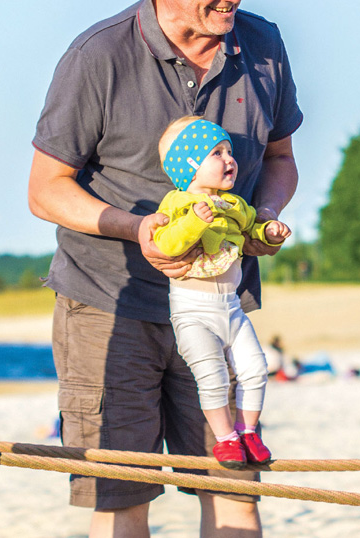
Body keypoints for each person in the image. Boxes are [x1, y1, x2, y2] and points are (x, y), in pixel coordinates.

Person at [27, 0, 302, 535]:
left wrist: (262, 216)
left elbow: (283, 159)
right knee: (122, 500)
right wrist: (137, 227)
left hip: (221, 303)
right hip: (110, 310)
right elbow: (45, 190)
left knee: (235, 492)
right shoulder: (98, 55)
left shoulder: (262, 46)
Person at [153, 117, 290, 469]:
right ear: (189, 166)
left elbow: (253, 228)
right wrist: (195, 220)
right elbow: (167, 244)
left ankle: (247, 430)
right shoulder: (177, 205)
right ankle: (225, 438)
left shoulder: (235, 205)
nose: (229, 159)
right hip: (192, 312)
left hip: (231, 306)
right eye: (216, 153)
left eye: (229, 151)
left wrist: (270, 230)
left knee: (256, 367)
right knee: (211, 375)